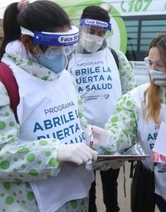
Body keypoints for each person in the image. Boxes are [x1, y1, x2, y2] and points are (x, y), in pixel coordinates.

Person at [0, 1, 99, 211]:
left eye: (67, 45)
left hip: (76, 198)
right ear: (27, 42)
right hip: (28, 204)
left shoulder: (65, 76)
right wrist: (54, 153)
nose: (64, 53)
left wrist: (90, 135)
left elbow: (75, 121)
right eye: (56, 46)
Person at [92, 34, 166, 212]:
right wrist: (104, 143)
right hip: (157, 188)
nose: (153, 69)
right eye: (150, 63)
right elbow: (119, 129)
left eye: (160, 65)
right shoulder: (136, 98)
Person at [67, 5, 137, 212]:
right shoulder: (67, 58)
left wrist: (127, 140)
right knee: (87, 189)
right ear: (81, 28)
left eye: (101, 33)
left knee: (110, 188)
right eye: (91, 31)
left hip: (110, 140)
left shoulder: (116, 58)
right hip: (80, 141)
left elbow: (130, 96)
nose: (95, 37)